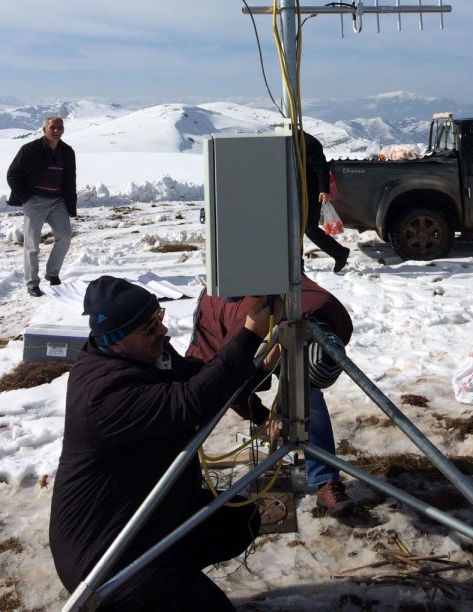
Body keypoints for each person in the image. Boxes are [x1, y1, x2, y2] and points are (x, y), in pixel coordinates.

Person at [49, 275, 281, 612]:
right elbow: (192, 400)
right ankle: (140, 593)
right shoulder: (102, 395)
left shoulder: (145, 352)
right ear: (115, 341)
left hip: (142, 517)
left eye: (158, 317)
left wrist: (256, 369)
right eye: (148, 327)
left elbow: (196, 375)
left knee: (236, 521)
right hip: (101, 559)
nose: (162, 330)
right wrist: (247, 336)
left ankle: (168, 577)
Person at [187, 274, 355, 516]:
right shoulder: (245, 328)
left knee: (310, 398)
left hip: (290, 327)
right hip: (222, 311)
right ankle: (180, 480)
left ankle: (326, 480)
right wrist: (263, 418)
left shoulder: (334, 318)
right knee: (198, 392)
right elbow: (227, 387)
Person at [6, 115, 77, 296]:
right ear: (44, 129)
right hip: (34, 200)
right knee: (32, 245)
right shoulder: (30, 149)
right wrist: (25, 198)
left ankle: (52, 274)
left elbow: (70, 180)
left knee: (65, 236)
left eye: (60, 128)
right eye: (53, 127)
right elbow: (13, 175)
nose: (56, 131)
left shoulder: (67, 152)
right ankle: (32, 283)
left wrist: (71, 203)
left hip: (57, 201)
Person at [302, 131, 349, 273]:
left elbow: (321, 167)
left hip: (311, 193)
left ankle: (339, 252)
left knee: (309, 229)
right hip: (299, 193)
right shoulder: (293, 143)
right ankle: (297, 264)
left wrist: (324, 190)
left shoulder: (308, 143)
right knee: (296, 230)